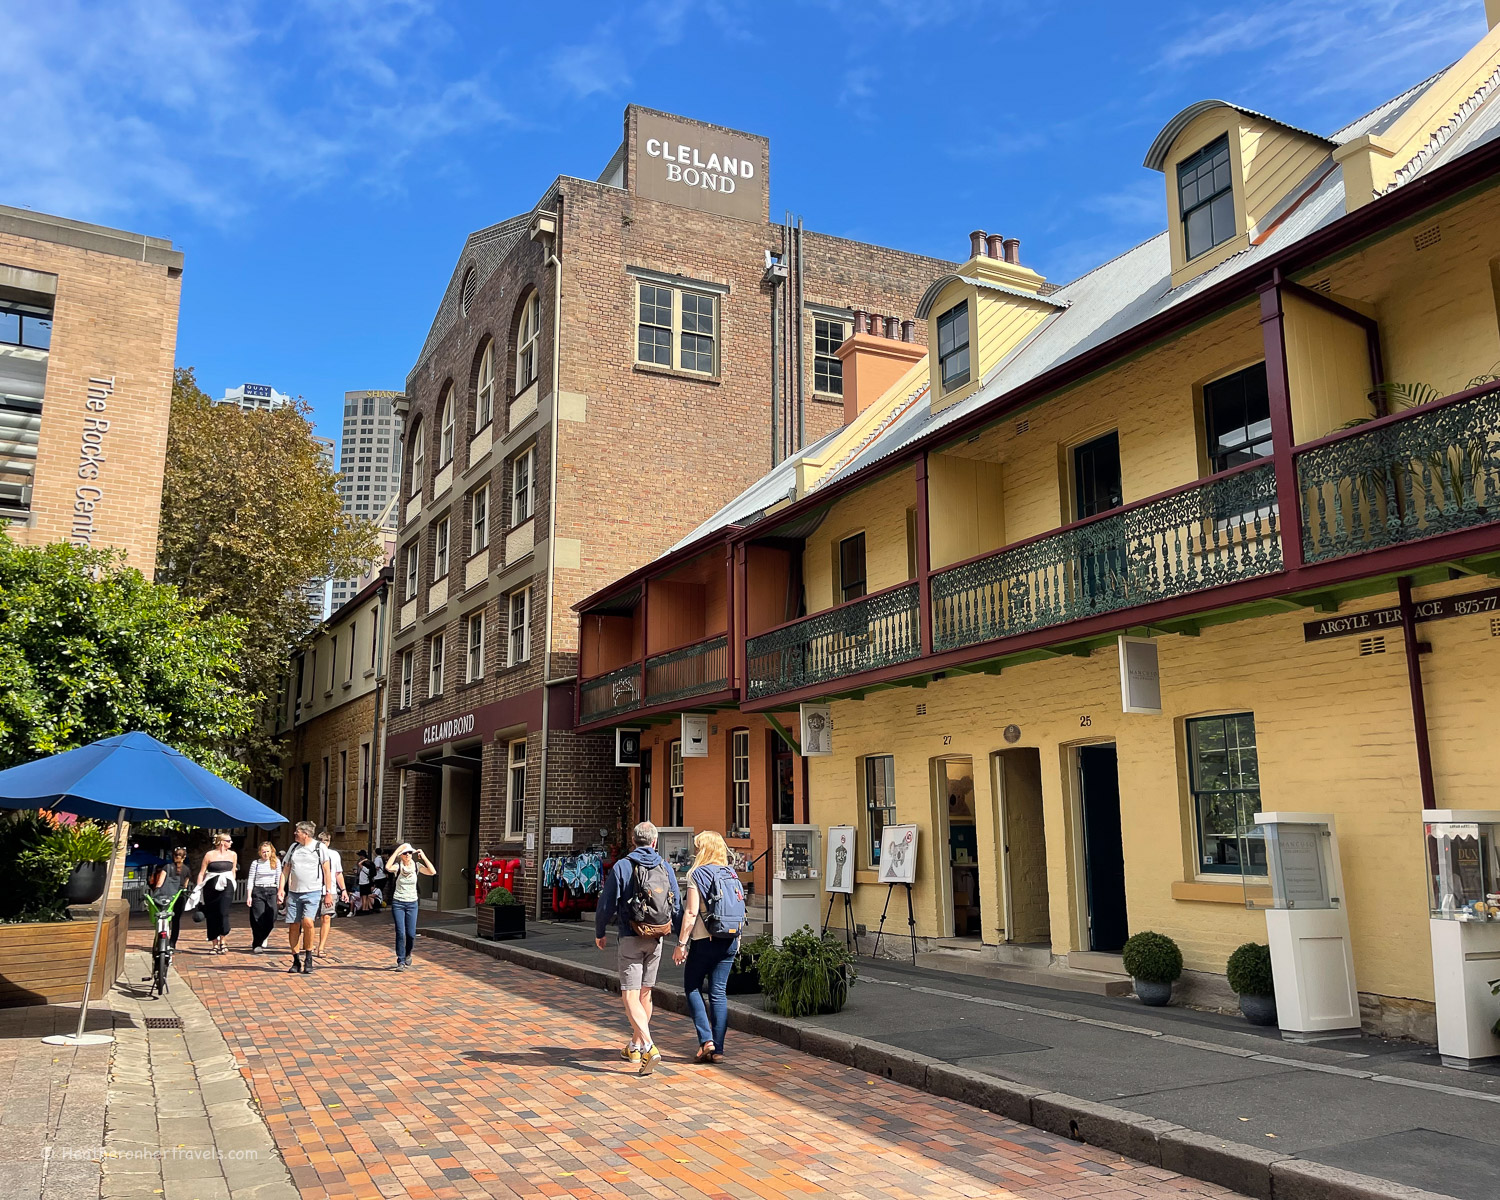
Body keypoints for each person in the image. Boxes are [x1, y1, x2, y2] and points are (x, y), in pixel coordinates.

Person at [595, 821, 680, 1075]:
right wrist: (681, 939)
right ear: (654, 842)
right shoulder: (665, 866)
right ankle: (635, 1045)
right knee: (646, 994)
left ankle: (649, 1047)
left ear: (634, 841)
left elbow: (606, 903)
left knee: (629, 995)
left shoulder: (623, 866)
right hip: (657, 937)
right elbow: (675, 905)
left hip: (630, 935)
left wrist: (600, 932)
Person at [672, 831, 742, 1064]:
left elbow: (691, 912)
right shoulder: (731, 873)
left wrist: (681, 944)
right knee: (718, 993)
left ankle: (706, 1040)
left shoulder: (697, 874)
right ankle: (719, 1050)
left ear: (703, 850)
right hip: (730, 939)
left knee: (692, 986)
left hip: (705, 940)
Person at [277, 821, 334, 974]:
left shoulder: (319, 847)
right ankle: (296, 960)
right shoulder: (294, 847)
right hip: (295, 892)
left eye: (297, 832)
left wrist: (328, 892)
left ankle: (308, 956)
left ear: (306, 834)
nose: (295, 834)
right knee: (294, 925)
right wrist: (281, 889)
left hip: (313, 891)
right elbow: (286, 869)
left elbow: (327, 871)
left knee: (308, 922)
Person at [388, 843, 434, 969]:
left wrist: (423, 857)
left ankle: (408, 953)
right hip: (398, 902)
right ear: (401, 856)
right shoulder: (397, 867)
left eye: (409, 852)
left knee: (411, 934)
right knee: (400, 932)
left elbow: (432, 871)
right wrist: (398, 849)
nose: (407, 855)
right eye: (405, 853)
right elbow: (387, 867)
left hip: (412, 903)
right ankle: (401, 960)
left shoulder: (416, 866)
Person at [196, 833, 237, 954]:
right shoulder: (209, 855)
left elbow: (233, 870)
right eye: (229, 841)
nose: (231, 843)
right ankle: (214, 942)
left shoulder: (233, 855)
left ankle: (223, 940)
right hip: (211, 885)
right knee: (212, 914)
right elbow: (201, 872)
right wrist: (199, 888)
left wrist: (233, 883)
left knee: (223, 912)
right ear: (222, 842)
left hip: (226, 885)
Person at [314, 830, 349, 958]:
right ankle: (309, 943)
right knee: (309, 919)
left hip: (331, 890)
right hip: (314, 889)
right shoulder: (312, 854)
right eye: (321, 841)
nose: (324, 843)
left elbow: (338, 873)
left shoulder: (334, 855)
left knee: (326, 917)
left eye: (326, 841)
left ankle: (321, 947)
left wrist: (344, 890)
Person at [245, 842, 280, 952]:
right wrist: (249, 895)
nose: (265, 854)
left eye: (268, 851)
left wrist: (280, 893)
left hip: (272, 890)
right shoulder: (256, 863)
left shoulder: (276, 862)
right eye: (263, 852)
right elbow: (251, 879)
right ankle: (257, 944)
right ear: (260, 852)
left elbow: (279, 878)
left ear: (272, 851)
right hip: (258, 890)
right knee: (257, 917)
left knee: (272, 916)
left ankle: (264, 936)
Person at [155, 847, 191, 948]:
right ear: (184, 857)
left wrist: (156, 893)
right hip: (179, 897)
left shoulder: (167, 867)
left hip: (166, 897)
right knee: (176, 921)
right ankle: (172, 944)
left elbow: (160, 882)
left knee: (163, 918)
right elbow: (185, 886)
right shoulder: (187, 870)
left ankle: (161, 941)